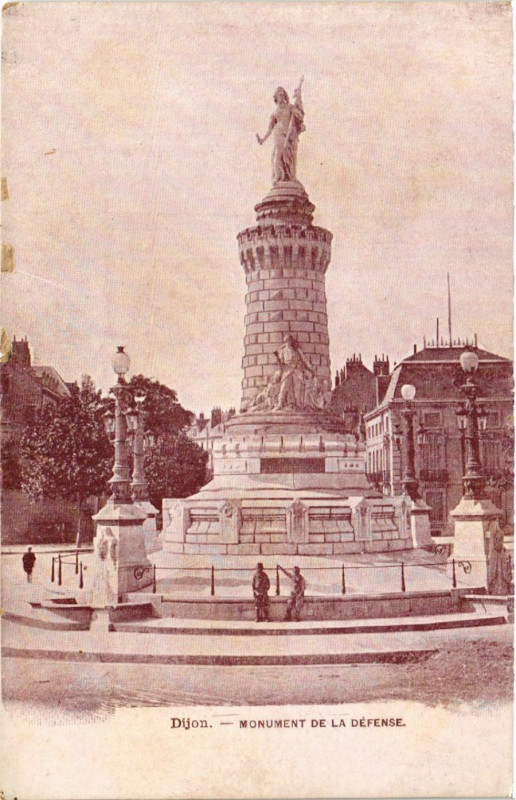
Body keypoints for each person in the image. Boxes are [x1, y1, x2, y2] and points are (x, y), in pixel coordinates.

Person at [256, 78, 305, 184]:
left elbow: (299, 115)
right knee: (278, 154)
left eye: (283, 94)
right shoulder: (274, 113)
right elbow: (270, 129)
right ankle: (278, 177)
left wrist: (297, 110)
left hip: (290, 135)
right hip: (278, 134)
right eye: (280, 95)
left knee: (290, 156)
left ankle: (290, 177)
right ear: (276, 97)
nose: (282, 96)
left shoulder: (290, 107)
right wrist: (262, 140)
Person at [273, 334, 314, 411]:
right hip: (287, 370)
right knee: (284, 387)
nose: (287, 342)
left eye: (289, 340)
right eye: (286, 341)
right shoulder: (283, 351)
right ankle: (280, 404)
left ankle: (298, 405)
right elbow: (281, 362)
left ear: (291, 341)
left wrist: (309, 366)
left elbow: (304, 359)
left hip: (296, 370)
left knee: (297, 388)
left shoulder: (296, 350)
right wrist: (279, 362)